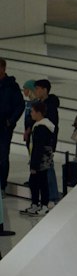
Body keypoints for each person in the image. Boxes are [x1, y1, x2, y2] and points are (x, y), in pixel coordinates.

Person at [22, 101, 55, 217]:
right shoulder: (39, 125)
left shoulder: (42, 128)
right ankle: (35, 204)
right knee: (34, 182)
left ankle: (44, 205)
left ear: (38, 113)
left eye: (32, 111)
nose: (30, 113)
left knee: (41, 182)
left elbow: (38, 147)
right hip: (38, 158)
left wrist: (34, 165)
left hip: (40, 160)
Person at [33, 78, 60, 204]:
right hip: (39, 141)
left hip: (46, 142)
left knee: (47, 168)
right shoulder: (39, 103)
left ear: (45, 90)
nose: (36, 91)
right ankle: (48, 196)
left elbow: (52, 125)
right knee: (43, 168)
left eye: (38, 88)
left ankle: (52, 196)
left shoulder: (51, 105)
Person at [0, 58, 21, 194]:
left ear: (3, 68)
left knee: (3, 156)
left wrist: (10, 121)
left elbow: (19, 105)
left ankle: (2, 186)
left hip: (4, 127)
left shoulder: (11, 85)